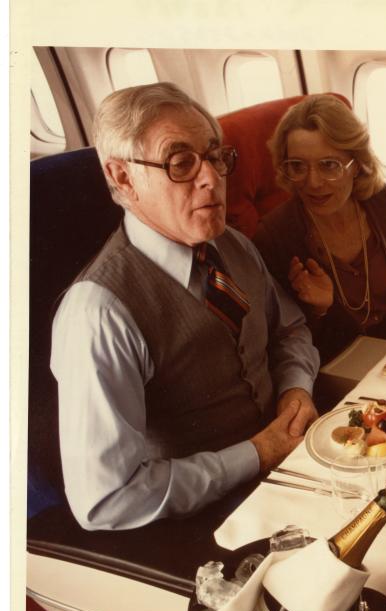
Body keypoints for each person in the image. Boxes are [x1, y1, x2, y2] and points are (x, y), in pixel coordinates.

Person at [51, 82, 321, 531]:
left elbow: (288, 329)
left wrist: (296, 389)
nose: (211, 178)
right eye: (181, 163)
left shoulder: (230, 245)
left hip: (293, 463)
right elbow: (106, 500)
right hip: (209, 520)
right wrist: (257, 454)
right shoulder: (99, 315)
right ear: (122, 177)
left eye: (215, 156)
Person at [252, 94, 386, 365]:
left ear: (356, 165)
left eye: (329, 165)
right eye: (298, 166)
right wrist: (319, 309)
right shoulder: (275, 236)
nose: (313, 182)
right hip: (338, 362)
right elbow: (287, 341)